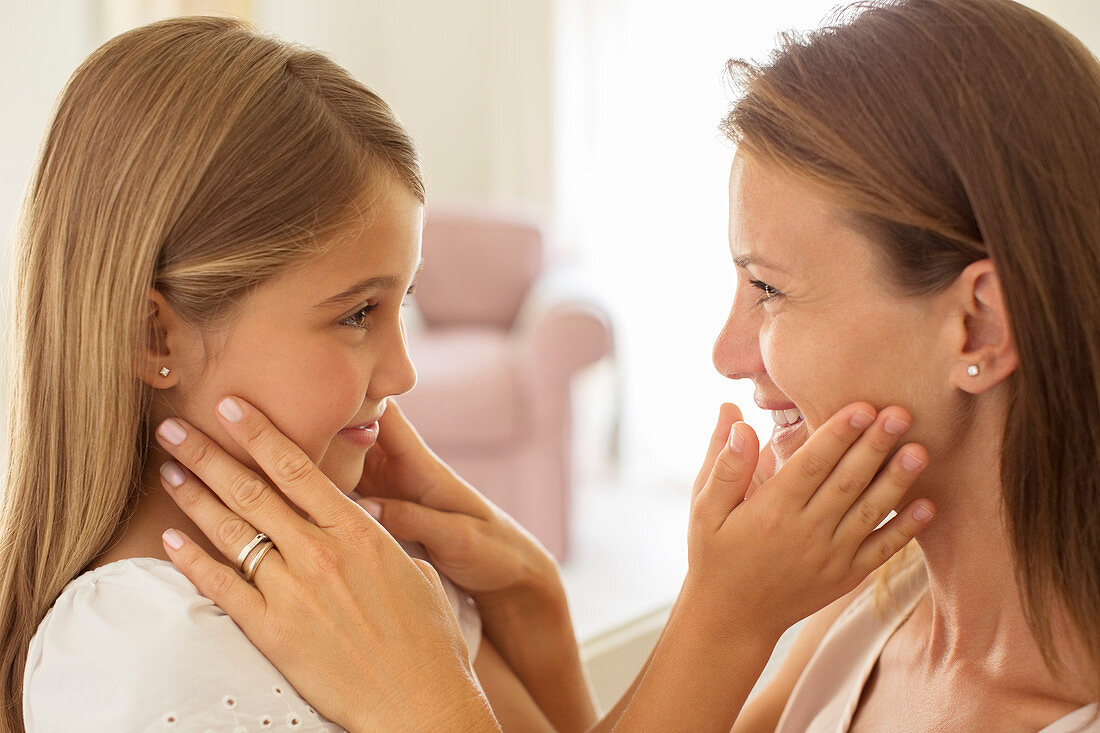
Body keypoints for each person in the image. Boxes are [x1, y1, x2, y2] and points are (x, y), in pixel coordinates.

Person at [136, 0, 1100, 730]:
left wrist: (429, 706)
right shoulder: (863, 612)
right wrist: (542, 619)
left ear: (976, 327)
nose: (727, 353)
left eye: (767, 289)